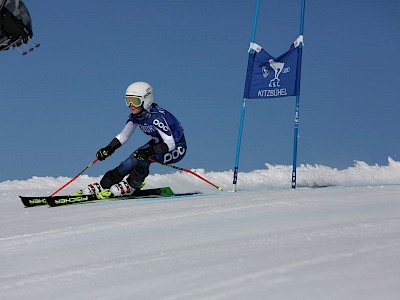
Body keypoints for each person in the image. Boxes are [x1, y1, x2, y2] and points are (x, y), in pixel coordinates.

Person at [77, 81, 186, 199]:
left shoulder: (157, 118)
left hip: (177, 148)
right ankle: (104, 185)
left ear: (146, 100)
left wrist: (148, 152)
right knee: (130, 161)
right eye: (128, 100)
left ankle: (132, 185)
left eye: (135, 101)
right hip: (157, 143)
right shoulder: (136, 116)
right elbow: (123, 136)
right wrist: (108, 149)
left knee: (143, 158)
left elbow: (170, 143)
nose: (131, 105)